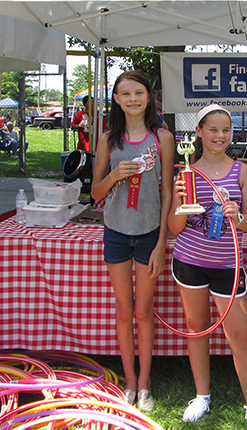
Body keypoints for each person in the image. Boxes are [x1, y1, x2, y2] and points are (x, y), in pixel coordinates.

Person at [168, 104, 247, 430]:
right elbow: (173, 228)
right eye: (213, 129)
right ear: (199, 132)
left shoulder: (242, 172)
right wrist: (181, 205)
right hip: (189, 261)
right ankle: (202, 396)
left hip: (227, 263)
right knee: (197, 328)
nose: (220, 136)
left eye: (226, 130)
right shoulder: (185, 173)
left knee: (240, 334)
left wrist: (236, 215)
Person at [90, 71, 174, 412]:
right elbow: (95, 192)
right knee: (124, 311)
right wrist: (114, 174)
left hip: (149, 234)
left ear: (149, 96)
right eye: (125, 94)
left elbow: (168, 192)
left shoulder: (162, 138)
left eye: (139, 92)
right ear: (117, 99)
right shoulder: (108, 138)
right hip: (116, 233)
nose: (133, 99)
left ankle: (145, 382)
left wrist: (161, 243)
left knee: (143, 311)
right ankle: (128, 379)